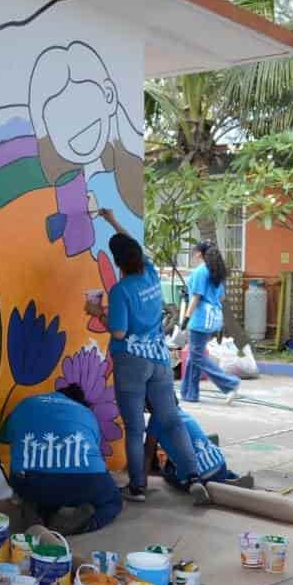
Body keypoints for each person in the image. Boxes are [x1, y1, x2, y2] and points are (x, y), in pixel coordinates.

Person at [86, 208, 208, 504]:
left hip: (131, 363)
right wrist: (113, 220)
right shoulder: (151, 274)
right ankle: (193, 477)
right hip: (159, 359)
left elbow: (118, 332)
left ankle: (138, 487)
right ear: (138, 257)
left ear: (117, 263)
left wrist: (96, 313)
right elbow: (133, 245)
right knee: (171, 419)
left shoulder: (120, 291)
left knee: (134, 427)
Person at [2, 385, 123, 535]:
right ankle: (82, 524)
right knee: (113, 501)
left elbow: (6, 437)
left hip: (29, 480)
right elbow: (94, 449)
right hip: (84, 481)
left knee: (41, 489)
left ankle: (35, 511)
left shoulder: (26, 403)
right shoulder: (86, 413)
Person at [145, 400, 253, 500]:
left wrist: (141, 482)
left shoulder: (155, 421)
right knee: (212, 465)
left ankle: (204, 487)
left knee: (168, 473)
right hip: (219, 464)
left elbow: (148, 454)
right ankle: (230, 480)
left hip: (197, 475)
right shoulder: (184, 413)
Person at [180, 241, 241, 404]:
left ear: (199, 253)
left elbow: (196, 296)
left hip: (200, 318)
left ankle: (229, 383)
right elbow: (221, 298)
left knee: (196, 355)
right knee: (194, 356)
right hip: (213, 318)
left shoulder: (201, 271)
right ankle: (189, 393)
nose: (193, 256)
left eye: (194, 253)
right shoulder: (215, 272)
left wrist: (186, 318)